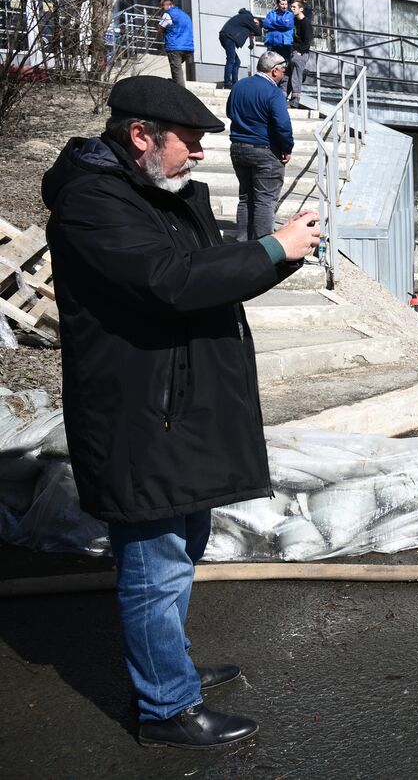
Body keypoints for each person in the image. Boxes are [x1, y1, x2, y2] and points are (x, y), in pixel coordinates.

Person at [41, 75, 321, 750]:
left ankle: (172, 665)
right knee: (155, 561)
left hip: (178, 410)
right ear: (142, 136)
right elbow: (172, 282)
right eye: (190, 142)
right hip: (138, 417)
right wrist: (272, 249)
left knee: (184, 544)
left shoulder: (159, 196)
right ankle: (166, 704)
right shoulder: (92, 204)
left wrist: (276, 254)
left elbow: (210, 270)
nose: (200, 155)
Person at [226, 51, 294, 241]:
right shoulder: (273, 92)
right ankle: (263, 246)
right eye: (282, 71)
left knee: (245, 198)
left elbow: (230, 112)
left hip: (238, 148)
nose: (283, 75)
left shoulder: (239, 86)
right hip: (265, 150)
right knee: (265, 201)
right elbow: (283, 125)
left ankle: (243, 242)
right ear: (274, 71)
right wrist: (287, 148)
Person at [216, 8, 261, 90]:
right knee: (231, 59)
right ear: (253, 19)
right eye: (255, 23)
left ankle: (234, 82)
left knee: (237, 61)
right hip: (229, 37)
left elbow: (250, 36)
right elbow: (258, 32)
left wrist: (251, 43)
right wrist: (256, 27)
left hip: (225, 36)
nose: (255, 24)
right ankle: (227, 83)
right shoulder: (248, 18)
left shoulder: (243, 19)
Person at [262, 0, 295, 96]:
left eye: (286, 4)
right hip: (273, 44)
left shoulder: (290, 15)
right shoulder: (271, 13)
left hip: (285, 45)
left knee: (283, 67)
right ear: (277, 4)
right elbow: (265, 24)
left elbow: (287, 26)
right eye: (282, 4)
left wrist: (273, 24)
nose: (285, 6)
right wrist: (280, 24)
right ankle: (269, 87)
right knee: (270, 66)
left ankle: (281, 89)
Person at [159, 0, 195, 88]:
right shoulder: (185, 15)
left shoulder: (168, 14)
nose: (162, 9)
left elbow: (160, 29)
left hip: (175, 47)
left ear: (168, 5)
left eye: (162, 6)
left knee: (177, 70)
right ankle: (175, 82)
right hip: (188, 48)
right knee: (176, 68)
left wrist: (159, 30)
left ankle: (182, 92)